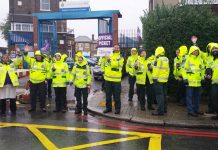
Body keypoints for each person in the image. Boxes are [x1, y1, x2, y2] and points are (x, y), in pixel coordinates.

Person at [182, 46, 205, 117]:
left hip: (198, 82)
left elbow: (202, 70)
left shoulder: (200, 60)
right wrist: (185, 79)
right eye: (194, 51)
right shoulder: (188, 59)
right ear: (191, 51)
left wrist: (202, 78)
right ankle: (190, 111)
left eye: (197, 51)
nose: (196, 52)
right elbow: (184, 70)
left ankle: (196, 109)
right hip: (190, 82)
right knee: (189, 97)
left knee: (197, 97)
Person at [103, 44, 124, 114]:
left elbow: (116, 65)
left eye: (117, 48)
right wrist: (103, 59)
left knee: (116, 96)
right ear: (113, 48)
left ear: (119, 49)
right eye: (115, 47)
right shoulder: (109, 55)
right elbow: (103, 64)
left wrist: (109, 60)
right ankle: (108, 108)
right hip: (107, 79)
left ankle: (117, 109)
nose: (116, 49)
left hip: (116, 80)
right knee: (108, 95)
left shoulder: (120, 57)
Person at [152, 47, 170, 116]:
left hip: (158, 80)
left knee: (159, 95)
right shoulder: (166, 59)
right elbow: (167, 69)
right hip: (165, 79)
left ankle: (160, 111)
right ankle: (164, 109)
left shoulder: (158, 59)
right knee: (164, 95)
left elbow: (156, 69)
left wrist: (154, 78)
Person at [205, 42, 216, 114]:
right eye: (209, 47)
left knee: (214, 95)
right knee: (210, 94)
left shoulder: (214, 57)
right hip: (209, 79)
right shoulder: (208, 56)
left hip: (214, 79)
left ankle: (214, 109)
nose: (210, 49)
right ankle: (211, 109)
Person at [208, 44, 218, 120]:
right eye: (213, 49)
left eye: (216, 48)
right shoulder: (212, 60)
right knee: (214, 98)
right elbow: (210, 70)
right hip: (214, 83)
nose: (215, 50)